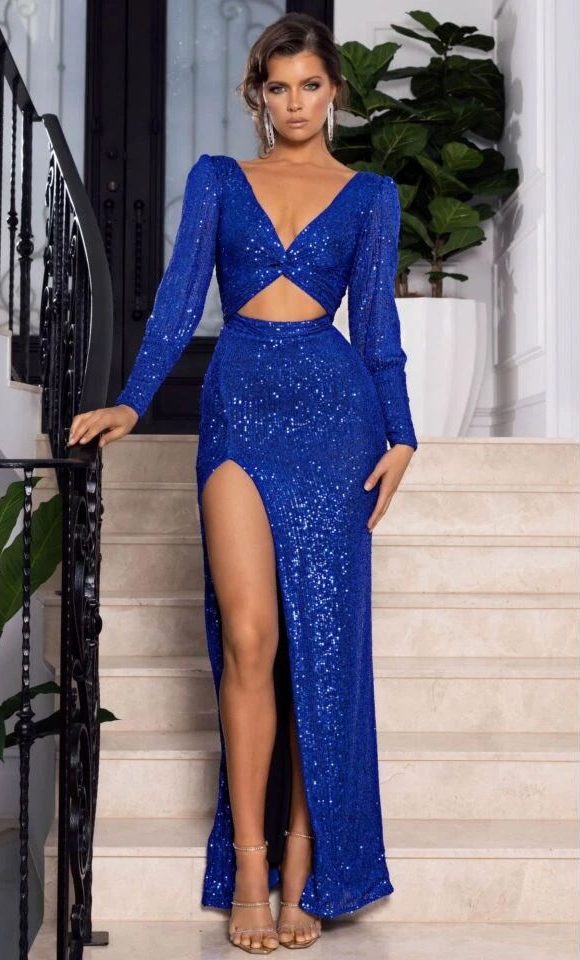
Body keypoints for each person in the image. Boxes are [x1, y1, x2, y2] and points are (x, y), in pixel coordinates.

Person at [67, 11, 417, 955]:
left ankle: (304, 861)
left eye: (311, 85)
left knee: (318, 650)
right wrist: (133, 402)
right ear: (257, 95)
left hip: (337, 422)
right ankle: (250, 865)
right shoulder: (219, 179)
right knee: (251, 635)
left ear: (333, 92)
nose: (295, 103)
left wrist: (403, 436)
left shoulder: (372, 195)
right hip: (240, 411)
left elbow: (377, 329)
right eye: (278, 87)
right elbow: (179, 301)